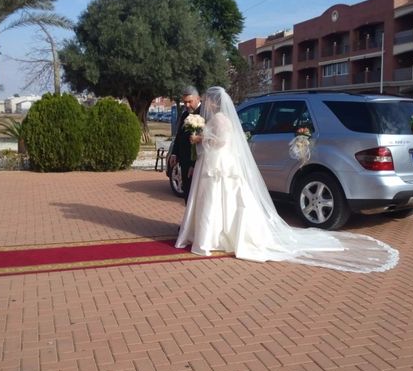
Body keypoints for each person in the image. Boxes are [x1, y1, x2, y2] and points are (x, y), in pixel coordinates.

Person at [175, 86, 399, 273]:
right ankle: (214, 234)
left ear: (214, 102)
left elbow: (222, 141)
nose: (206, 104)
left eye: (207, 101)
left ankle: (214, 235)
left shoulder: (221, 120)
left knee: (219, 197)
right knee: (221, 198)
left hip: (220, 163)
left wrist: (200, 138)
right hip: (218, 163)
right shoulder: (218, 118)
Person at [169, 86, 202, 204]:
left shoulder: (204, 114)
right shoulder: (184, 115)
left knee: (195, 194)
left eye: (190, 102)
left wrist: (194, 164)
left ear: (198, 99)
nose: (187, 105)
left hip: (197, 162)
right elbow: (179, 136)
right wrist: (174, 153)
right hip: (184, 160)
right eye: (185, 102)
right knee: (186, 191)